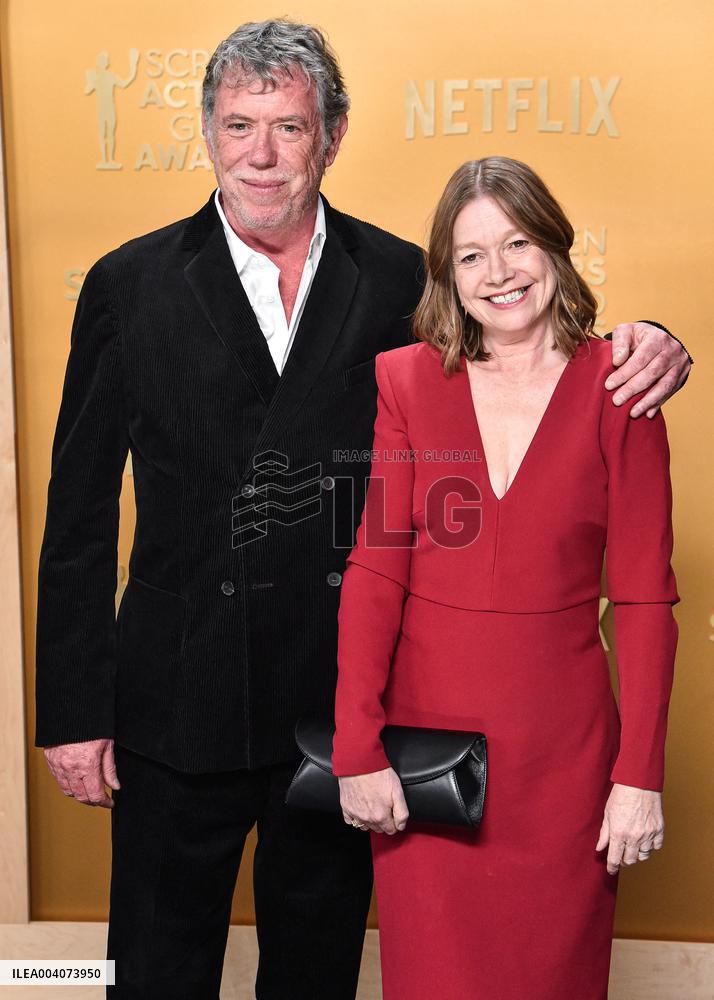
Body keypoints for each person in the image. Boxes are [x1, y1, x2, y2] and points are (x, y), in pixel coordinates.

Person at [34, 18, 689, 1000]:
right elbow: (78, 516)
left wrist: (654, 340)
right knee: (154, 978)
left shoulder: (398, 281)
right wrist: (73, 711)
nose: (261, 154)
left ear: (331, 137)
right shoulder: (127, 286)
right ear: (207, 134)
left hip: (341, 715)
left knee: (315, 978)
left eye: (289, 127)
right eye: (238, 124)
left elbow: (521, 326)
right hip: (175, 707)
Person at [332, 156, 681, 1000]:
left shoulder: (622, 388)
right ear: (447, 277)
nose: (499, 272)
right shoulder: (407, 382)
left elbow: (643, 600)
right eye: (471, 255)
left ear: (554, 248)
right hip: (428, 767)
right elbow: (376, 569)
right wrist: (355, 748)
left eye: (517, 242)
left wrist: (638, 777)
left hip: (563, 764)